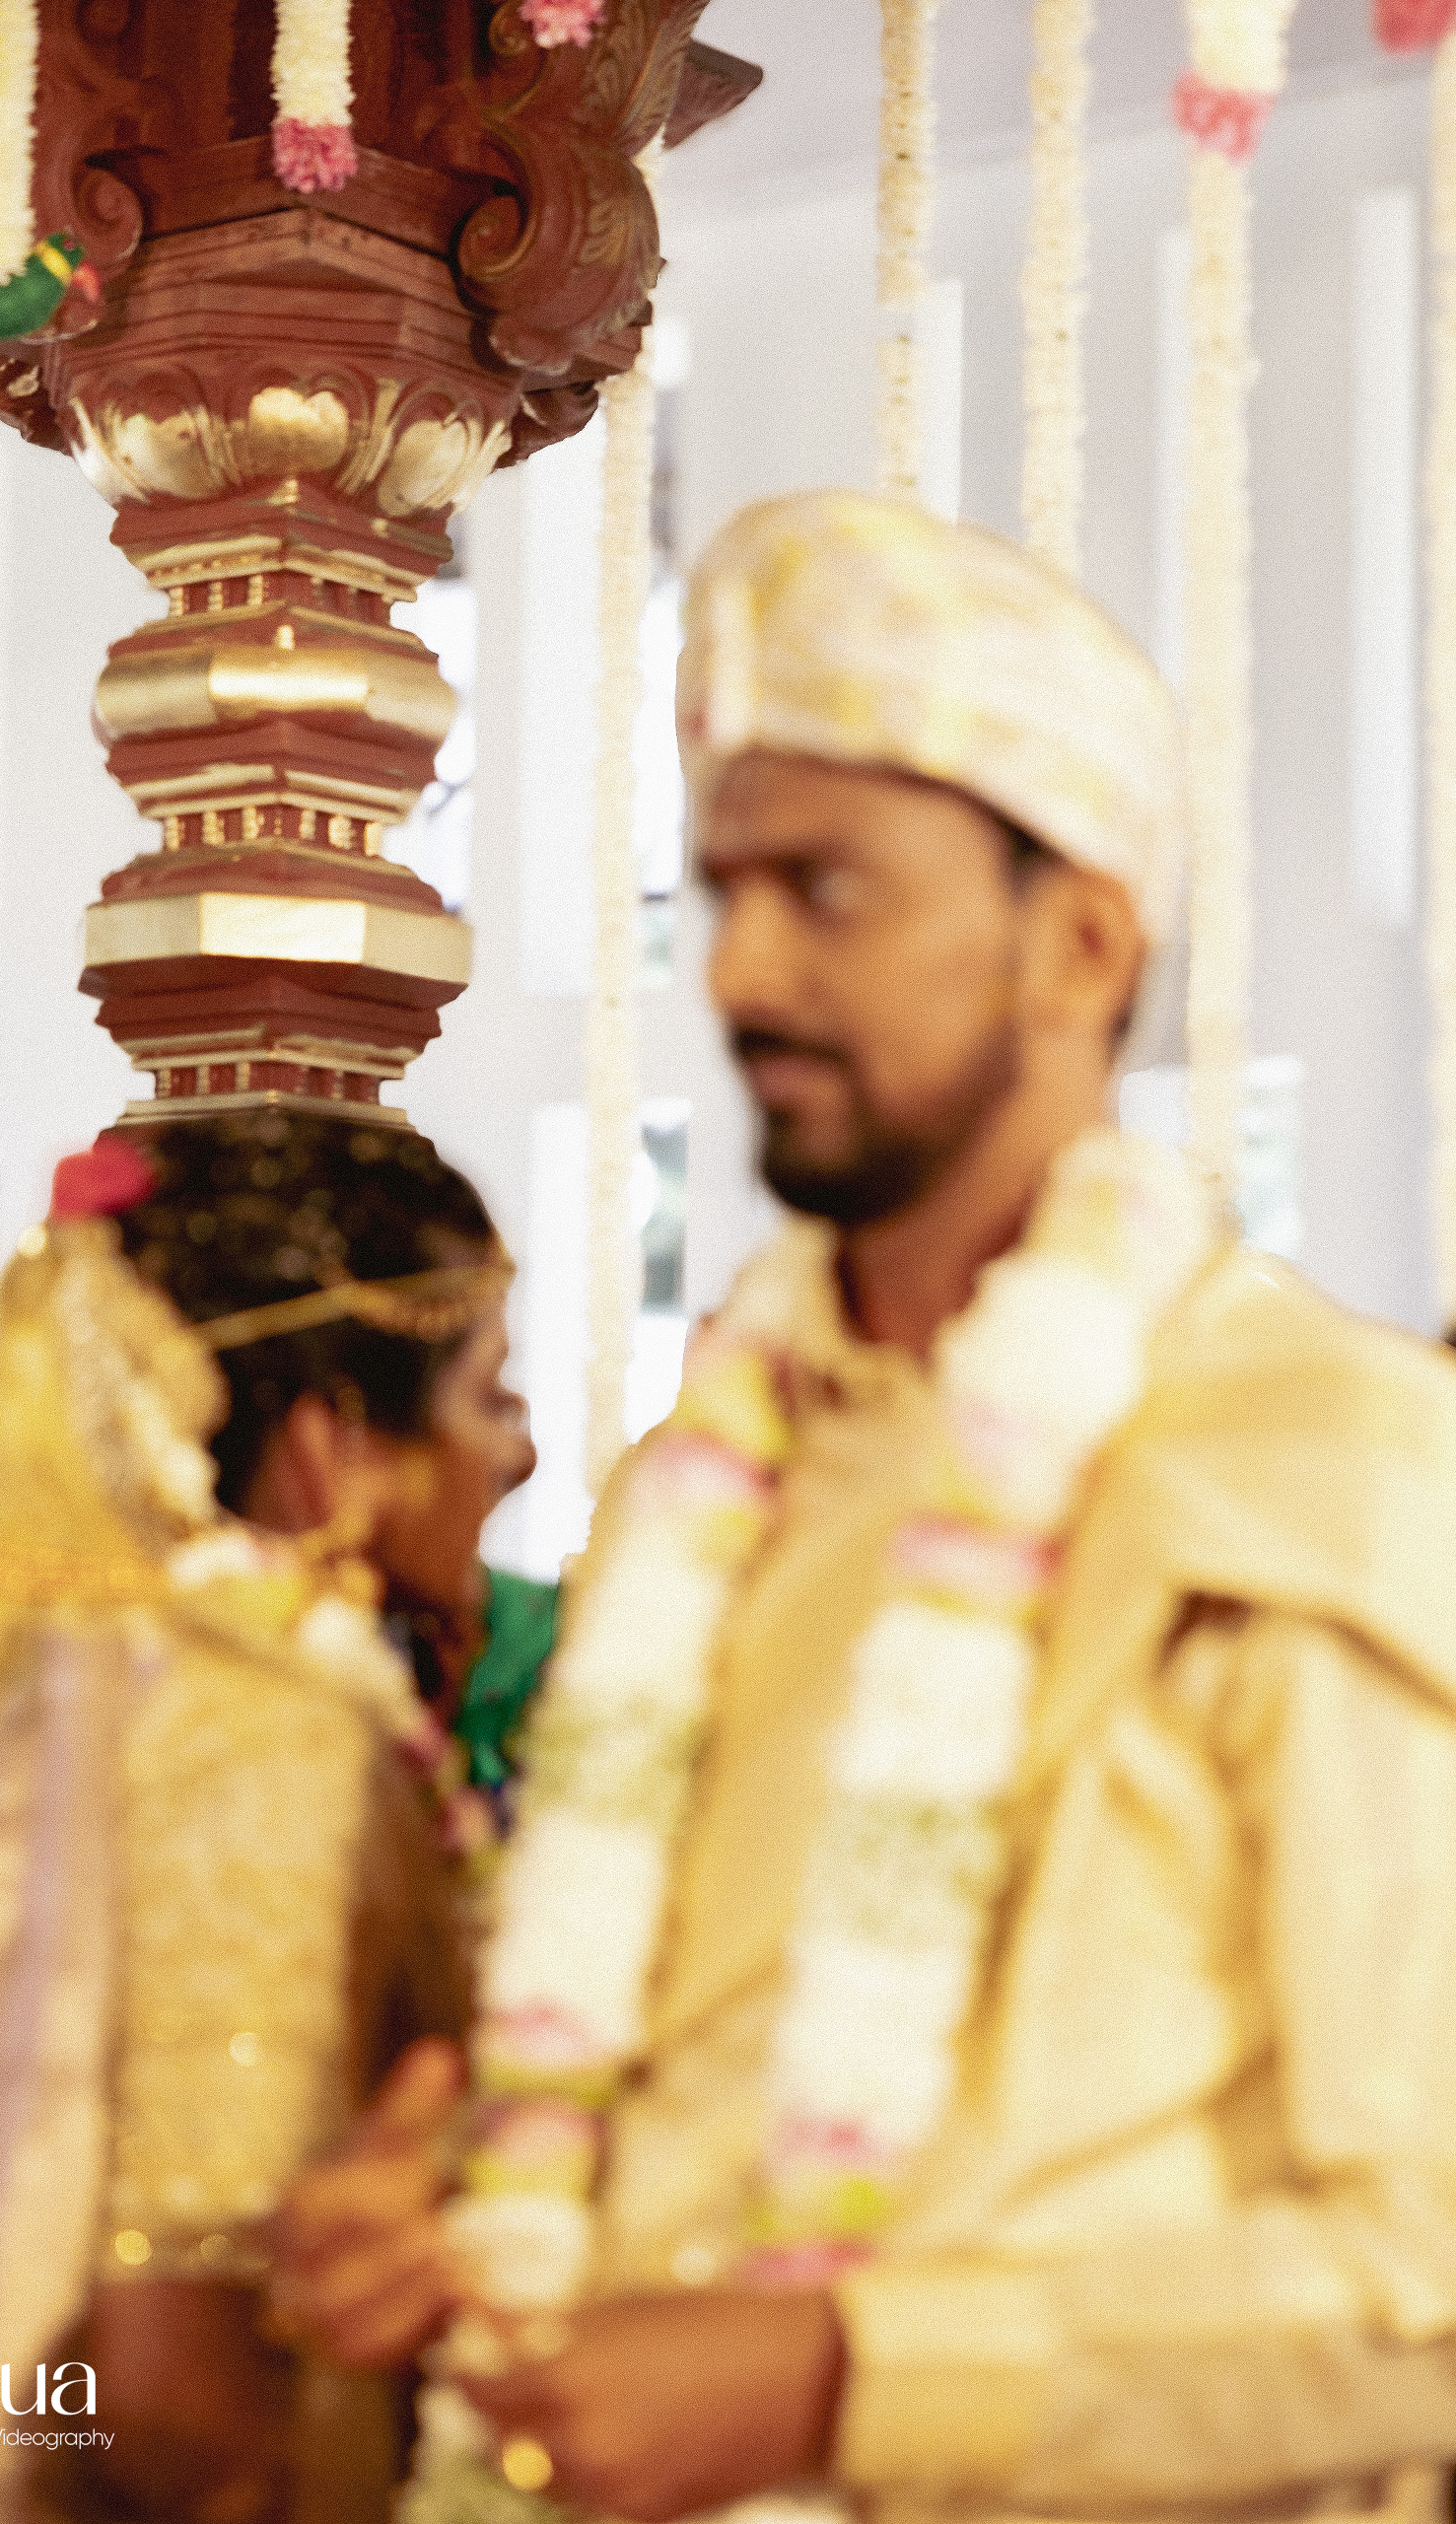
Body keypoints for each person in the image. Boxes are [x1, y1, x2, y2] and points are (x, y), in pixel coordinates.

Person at [269, 492, 1456, 2524]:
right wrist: (453, 2211)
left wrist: (850, 2377)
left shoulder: (1321, 1460)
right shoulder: (706, 1496)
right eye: (720, 885)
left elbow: (1423, 2272)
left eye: (825, 889)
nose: (737, 968)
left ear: (1080, 942)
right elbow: (684, 2115)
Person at [0, 1107, 536, 2524]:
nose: (523, 1455)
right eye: (490, 1394)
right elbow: (175, 2384)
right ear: (324, 1443)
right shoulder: (261, 1735)